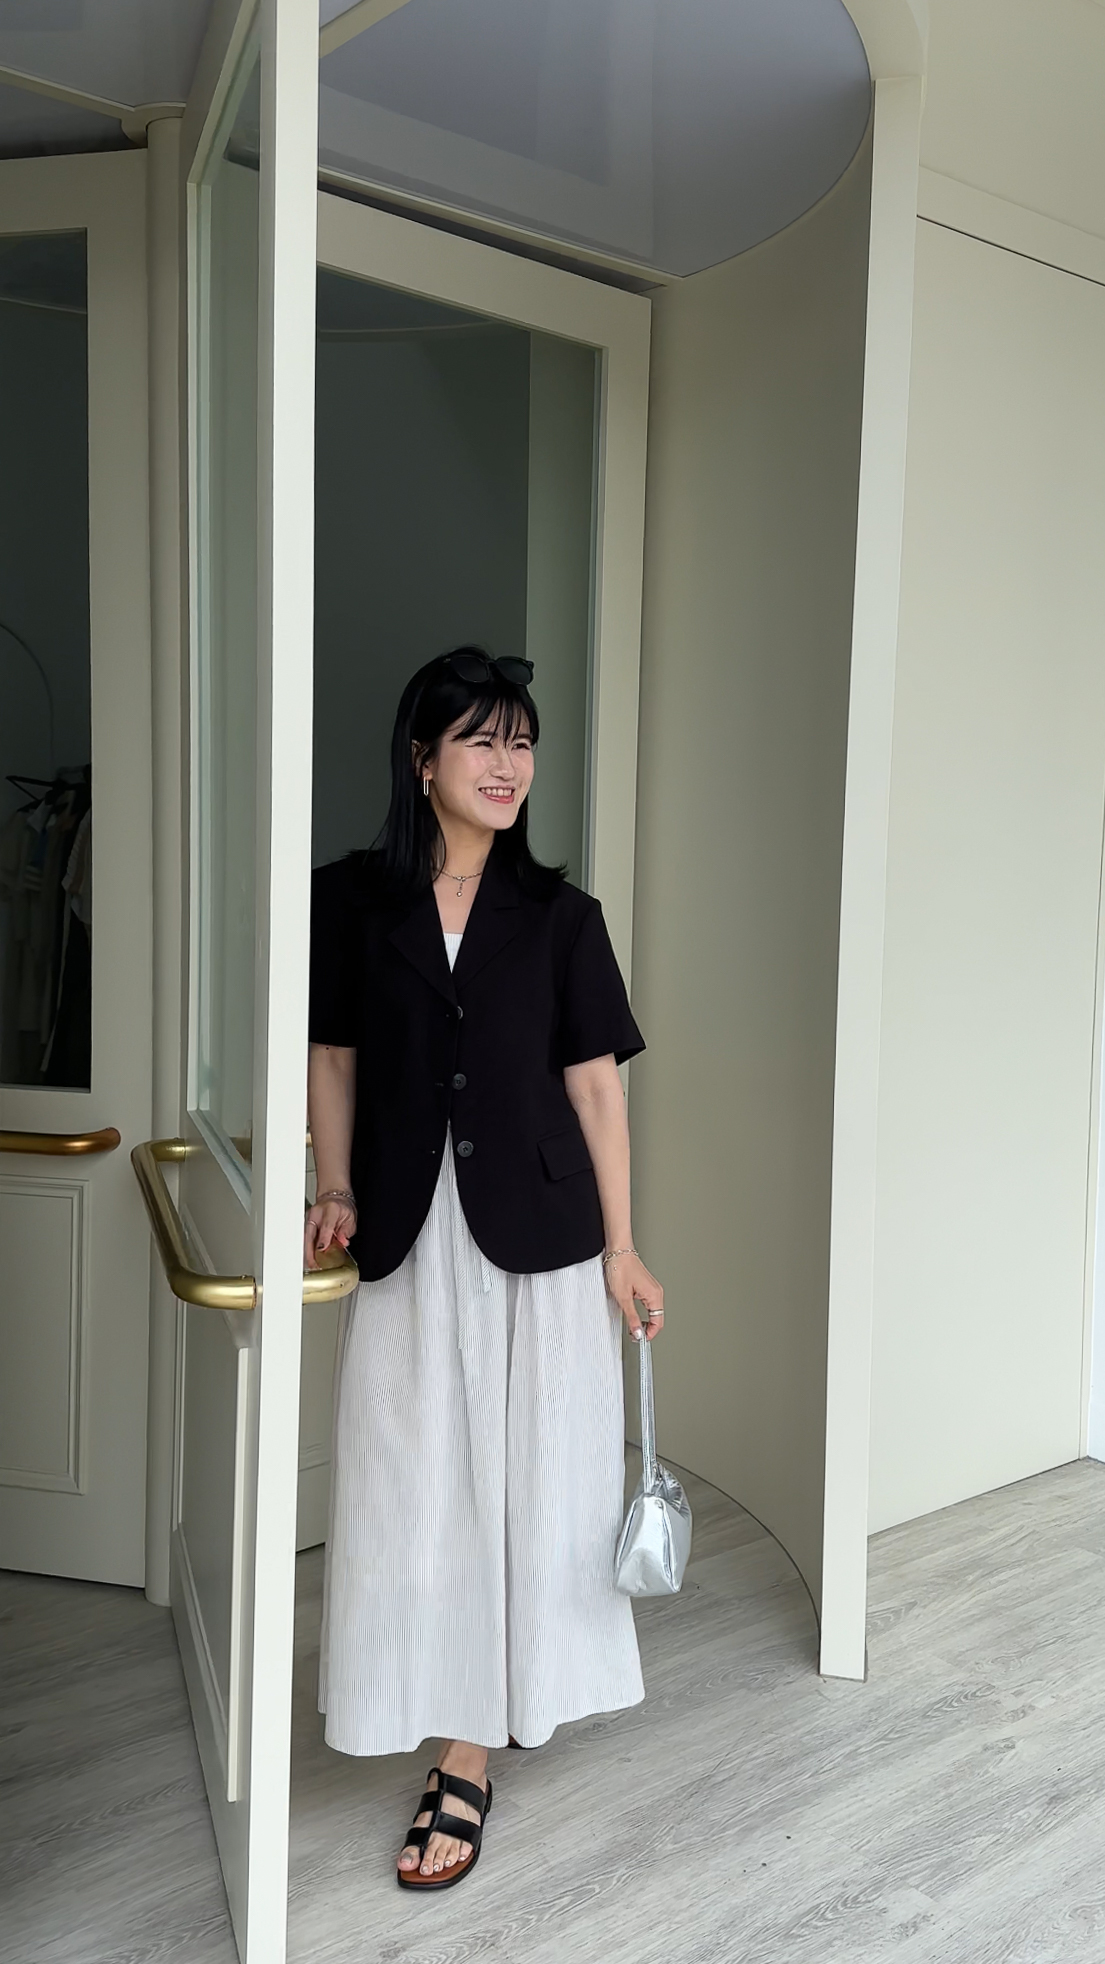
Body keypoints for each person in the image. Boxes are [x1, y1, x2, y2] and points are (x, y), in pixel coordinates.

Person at [304, 645, 664, 1892]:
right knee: (410, 1478)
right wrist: (334, 1184)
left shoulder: (562, 917)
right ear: (423, 759)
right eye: (481, 740)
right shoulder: (351, 900)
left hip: (540, 1237)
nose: (508, 764)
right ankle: (424, 1690)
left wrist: (623, 1245)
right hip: (411, 1232)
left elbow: (596, 1090)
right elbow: (333, 1058)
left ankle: (472, 1747)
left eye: (521, 742)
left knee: (534, 1478)